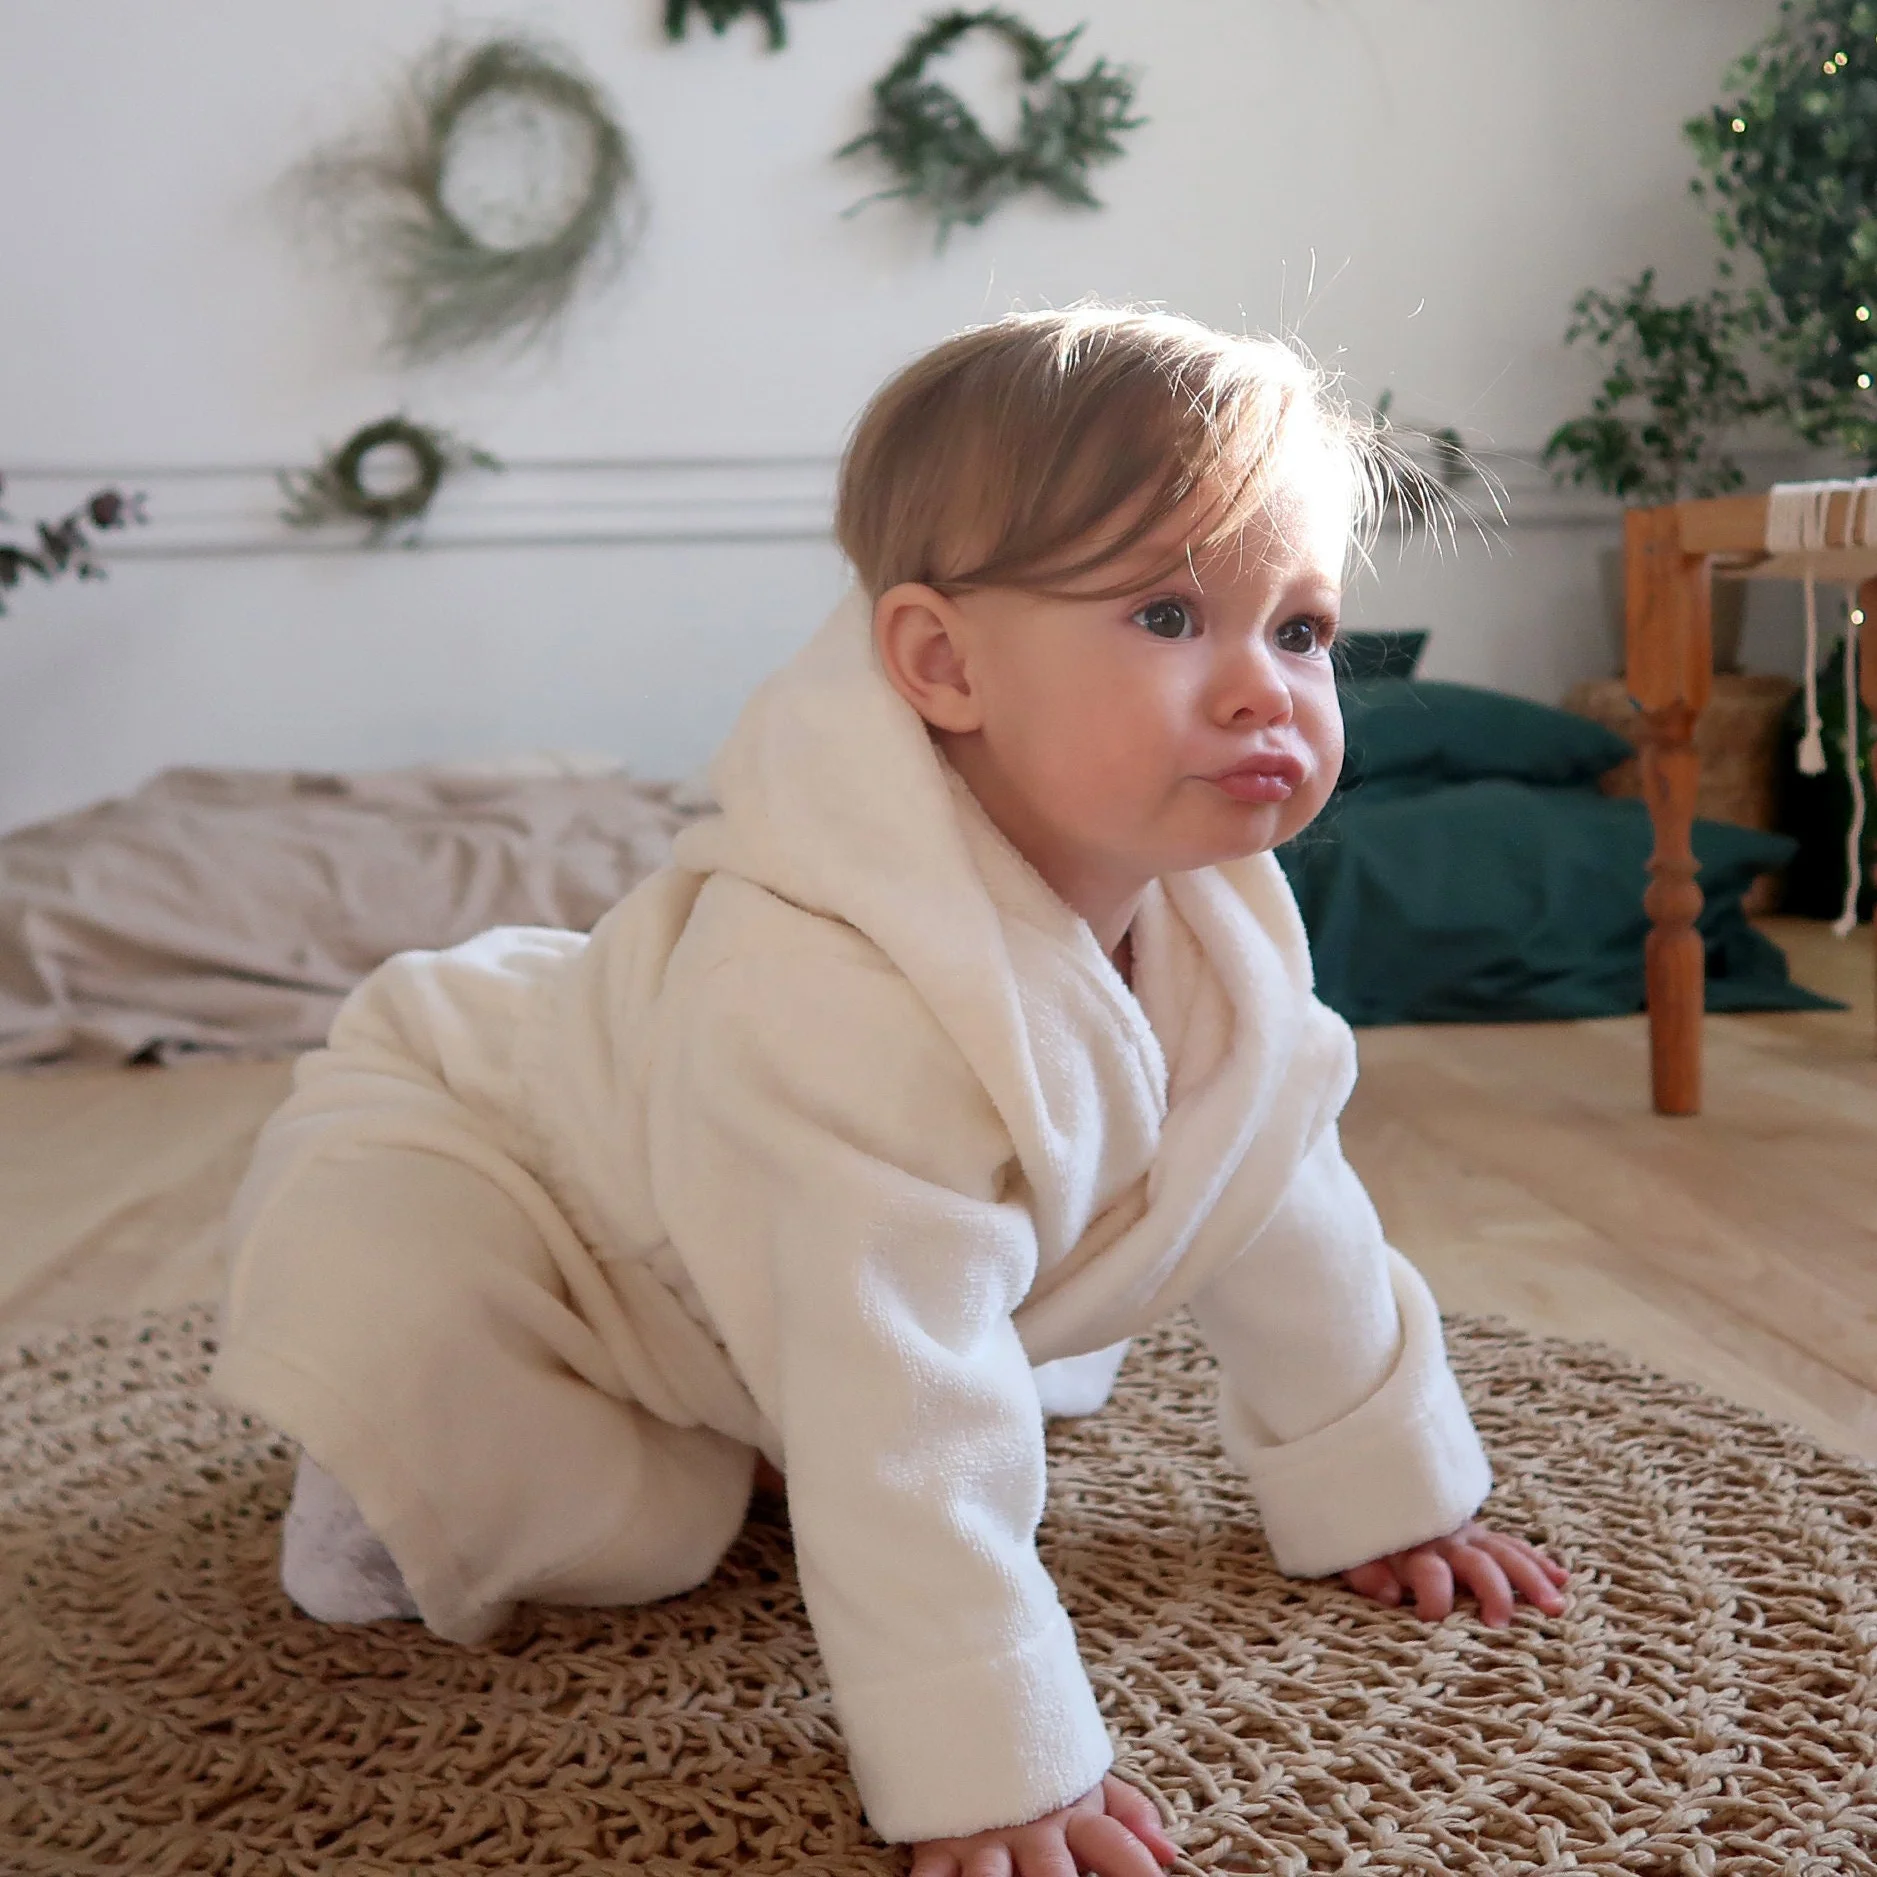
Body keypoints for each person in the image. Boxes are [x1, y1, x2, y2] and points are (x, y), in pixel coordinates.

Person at [212, 304, 1569, 1877]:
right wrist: (989, 1755)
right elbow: (897, 1383)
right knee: (603, 1514)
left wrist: (1384, 1487)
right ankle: (378, 1475)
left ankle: (737, 1399)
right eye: (1167, 617)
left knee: (915, 1349)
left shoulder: (1209, 920)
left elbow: (1279, 1201)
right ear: (941, 663)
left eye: (1303, 632)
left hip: (765, 1239)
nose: (1267, 688)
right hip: (529, 1189)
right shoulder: (815, 987)